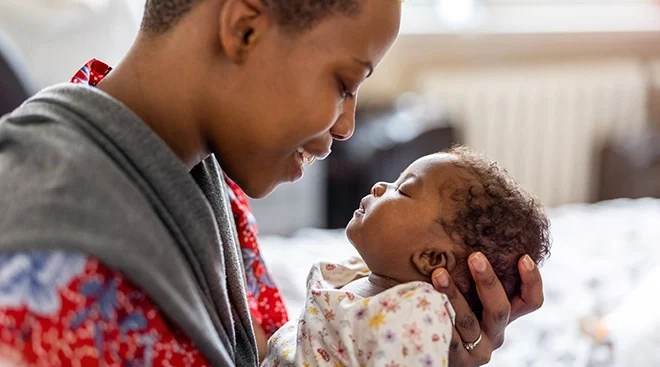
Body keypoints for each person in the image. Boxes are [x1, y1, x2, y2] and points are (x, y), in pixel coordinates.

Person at [0, 0, 545, 366]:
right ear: (244, 29)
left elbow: (277, 347)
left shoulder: (197, 173)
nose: (347, 125)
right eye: (344, 82)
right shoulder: (54, 282)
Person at [263, 147, 550, 366]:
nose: (379, 186)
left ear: (431, 259)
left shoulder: (415, 317)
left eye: (402, 189)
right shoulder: (363, 275)